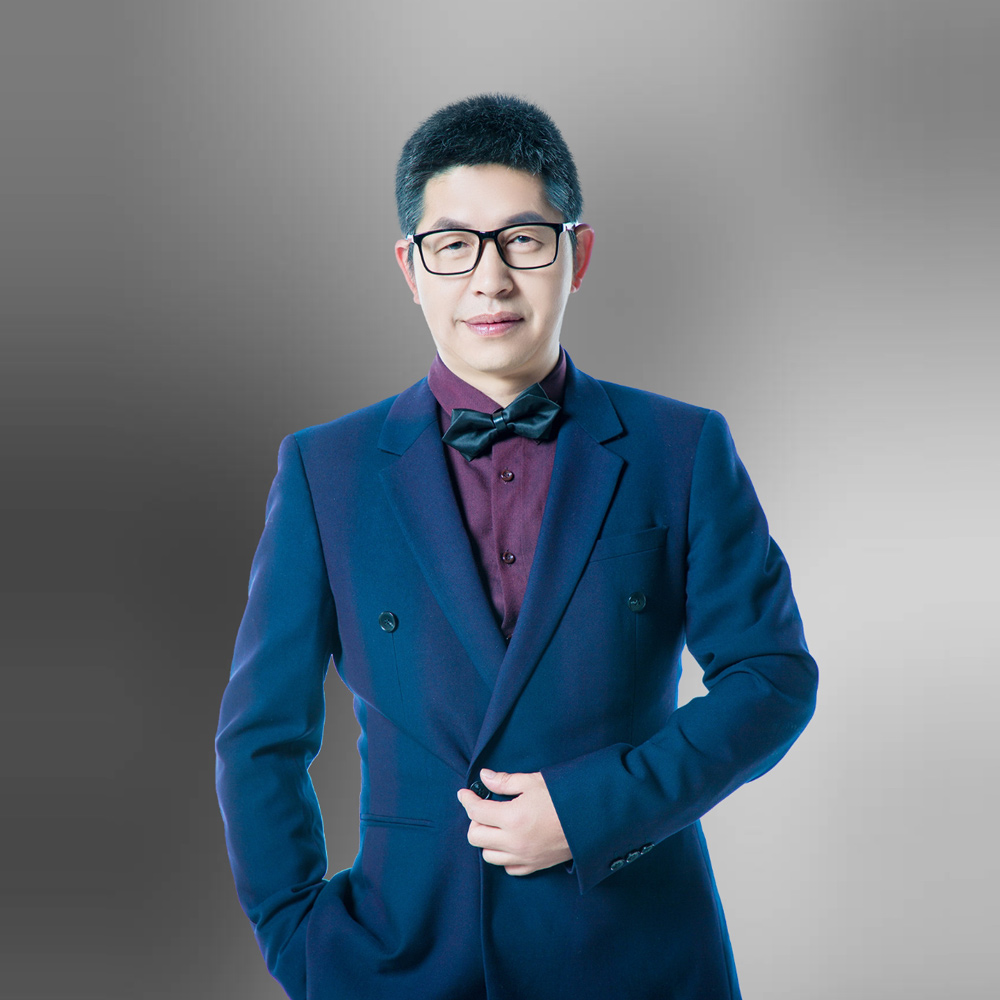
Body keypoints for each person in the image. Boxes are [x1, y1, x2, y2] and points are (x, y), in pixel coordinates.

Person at [215, 93, 818, 1000]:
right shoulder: (324, 470)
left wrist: (592, 809)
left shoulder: (682, 448)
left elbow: (772, 678)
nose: (489, 280)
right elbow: (262, 736)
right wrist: (299, 941)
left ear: (577, 255)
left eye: (523, 240)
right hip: (405, 960)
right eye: (453, 245)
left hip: (638, 958)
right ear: (411, 268)